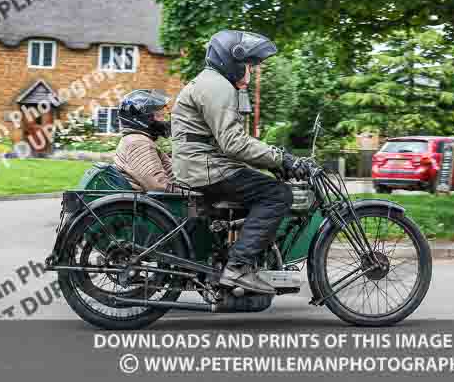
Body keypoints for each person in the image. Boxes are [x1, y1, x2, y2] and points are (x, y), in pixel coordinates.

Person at [171, 30, 310, 294]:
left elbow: (231, 142)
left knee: (261, 185)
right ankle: (239, 267)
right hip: (207, 168)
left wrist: (272, 161)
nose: (250, 72)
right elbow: (233, 143)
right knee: (276, 194)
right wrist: (282, 158)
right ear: (231, 61)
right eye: (248, 65)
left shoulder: (210, 82)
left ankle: (237, 258)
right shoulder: (218, 87)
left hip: (201, 164)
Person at [114, 89, 177, 192]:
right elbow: (158, 186)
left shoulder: (136, 139)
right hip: (160, 203)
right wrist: (191, 193)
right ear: (142, 119)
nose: (163, 120)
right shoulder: (139, 143)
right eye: (158, 116)